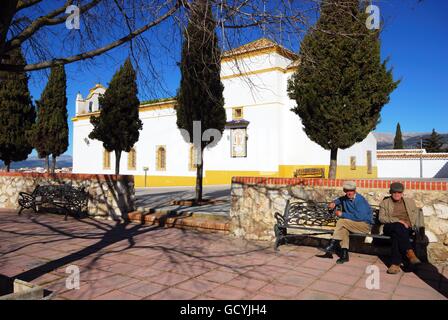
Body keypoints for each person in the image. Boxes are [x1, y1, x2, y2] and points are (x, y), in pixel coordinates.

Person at [323, 181, 373, 264]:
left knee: (341, 221)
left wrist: (342, 214)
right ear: (345, 191)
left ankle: (333, 245)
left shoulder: (360, 200)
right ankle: (344, 255)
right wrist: (333, 203)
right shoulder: (345, 198)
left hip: (364, 225)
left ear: (355, 190)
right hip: (352, 224)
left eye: (351, 191)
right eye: (347, 191)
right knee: (343, 230)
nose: (349, 193)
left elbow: (360, 217)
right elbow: (339, 199)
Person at [379, 182, 423, 274]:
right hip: (389, 227)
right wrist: (398, 220)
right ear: (391, 193)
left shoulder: (409, 202)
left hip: (406, 228)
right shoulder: (385, 202)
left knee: (397, 235)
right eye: (394, 192)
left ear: (402, 193)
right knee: (398, 226)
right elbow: (381, 218)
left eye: (399, 193)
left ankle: (395, 264)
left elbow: (415, 214)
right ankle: (410, 254)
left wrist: (410, 224)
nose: (396, 194)